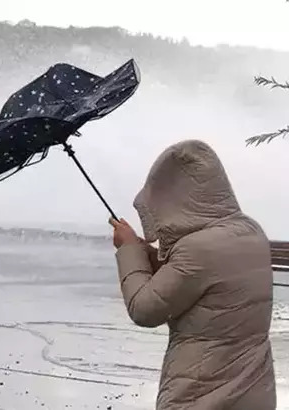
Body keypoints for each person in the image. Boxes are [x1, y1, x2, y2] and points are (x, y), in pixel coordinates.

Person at [109, 139, 276, 409]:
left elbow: (144, 310)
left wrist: (128, 250)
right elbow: (200, 282)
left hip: (202, 393)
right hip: (253, 391)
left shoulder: (197, 249)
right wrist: (145, 253)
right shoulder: (250, 231)